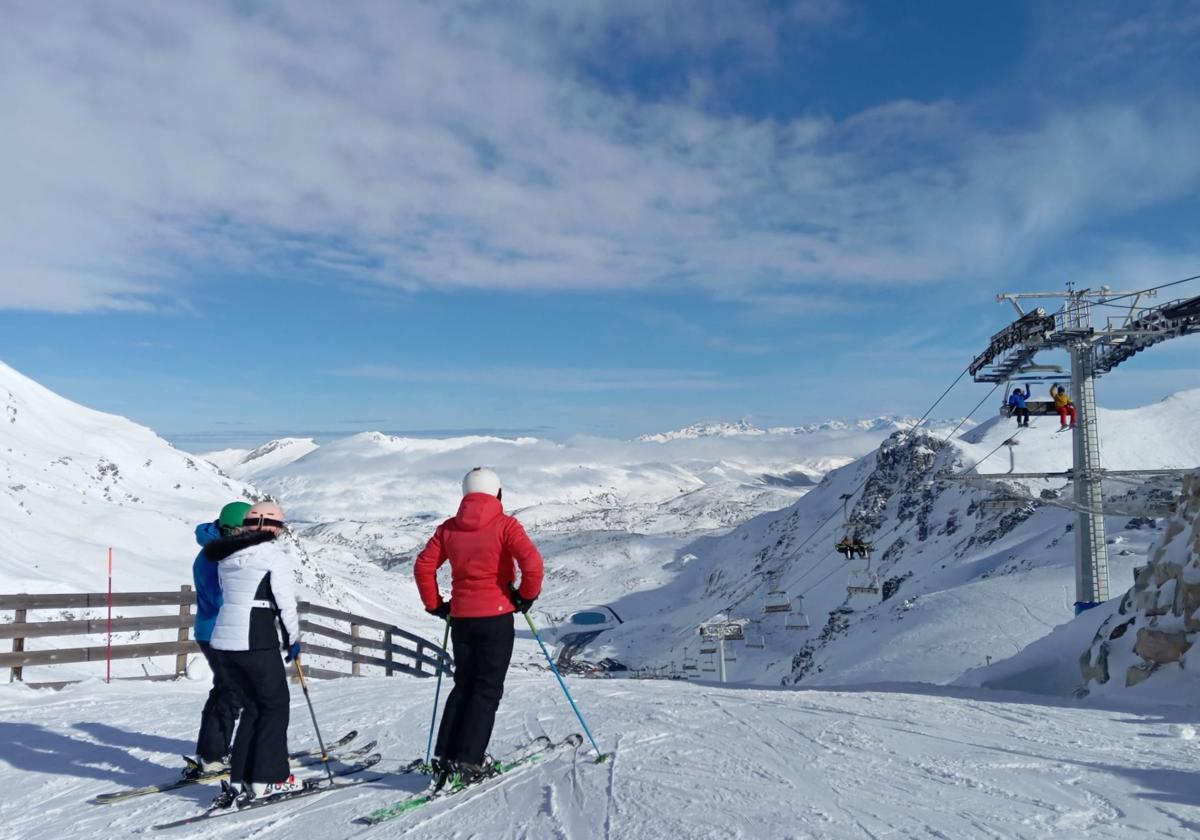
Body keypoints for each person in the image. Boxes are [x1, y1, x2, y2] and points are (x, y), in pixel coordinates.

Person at [414, 467, 544, 787]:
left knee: (464, 686)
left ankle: (445, 756)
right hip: (497, 617)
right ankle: (469, 762)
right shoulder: (506, 526)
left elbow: (423, 566)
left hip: (461, 618)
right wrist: (525, 596)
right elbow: (533, 564)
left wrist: (436, 605)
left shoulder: (448, 529)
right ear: (497, 493)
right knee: (486, 691)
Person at [207, 500, 304, 808]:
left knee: (253, 708)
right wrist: (293, 639)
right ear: (274, 528)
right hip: (255, 637)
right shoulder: (272, 555)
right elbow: (284, 601)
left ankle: (242, 779)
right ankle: (269, 779)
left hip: (224, 640)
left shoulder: (226, 554)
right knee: (275, 706)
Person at [183, 501, 250, 779]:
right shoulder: (216, 558)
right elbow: (224, 599)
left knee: (225, 690)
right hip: (219, 632)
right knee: (231, 693)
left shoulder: (220, 550)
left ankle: (211, 752)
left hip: (214, 631)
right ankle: (213, 757)